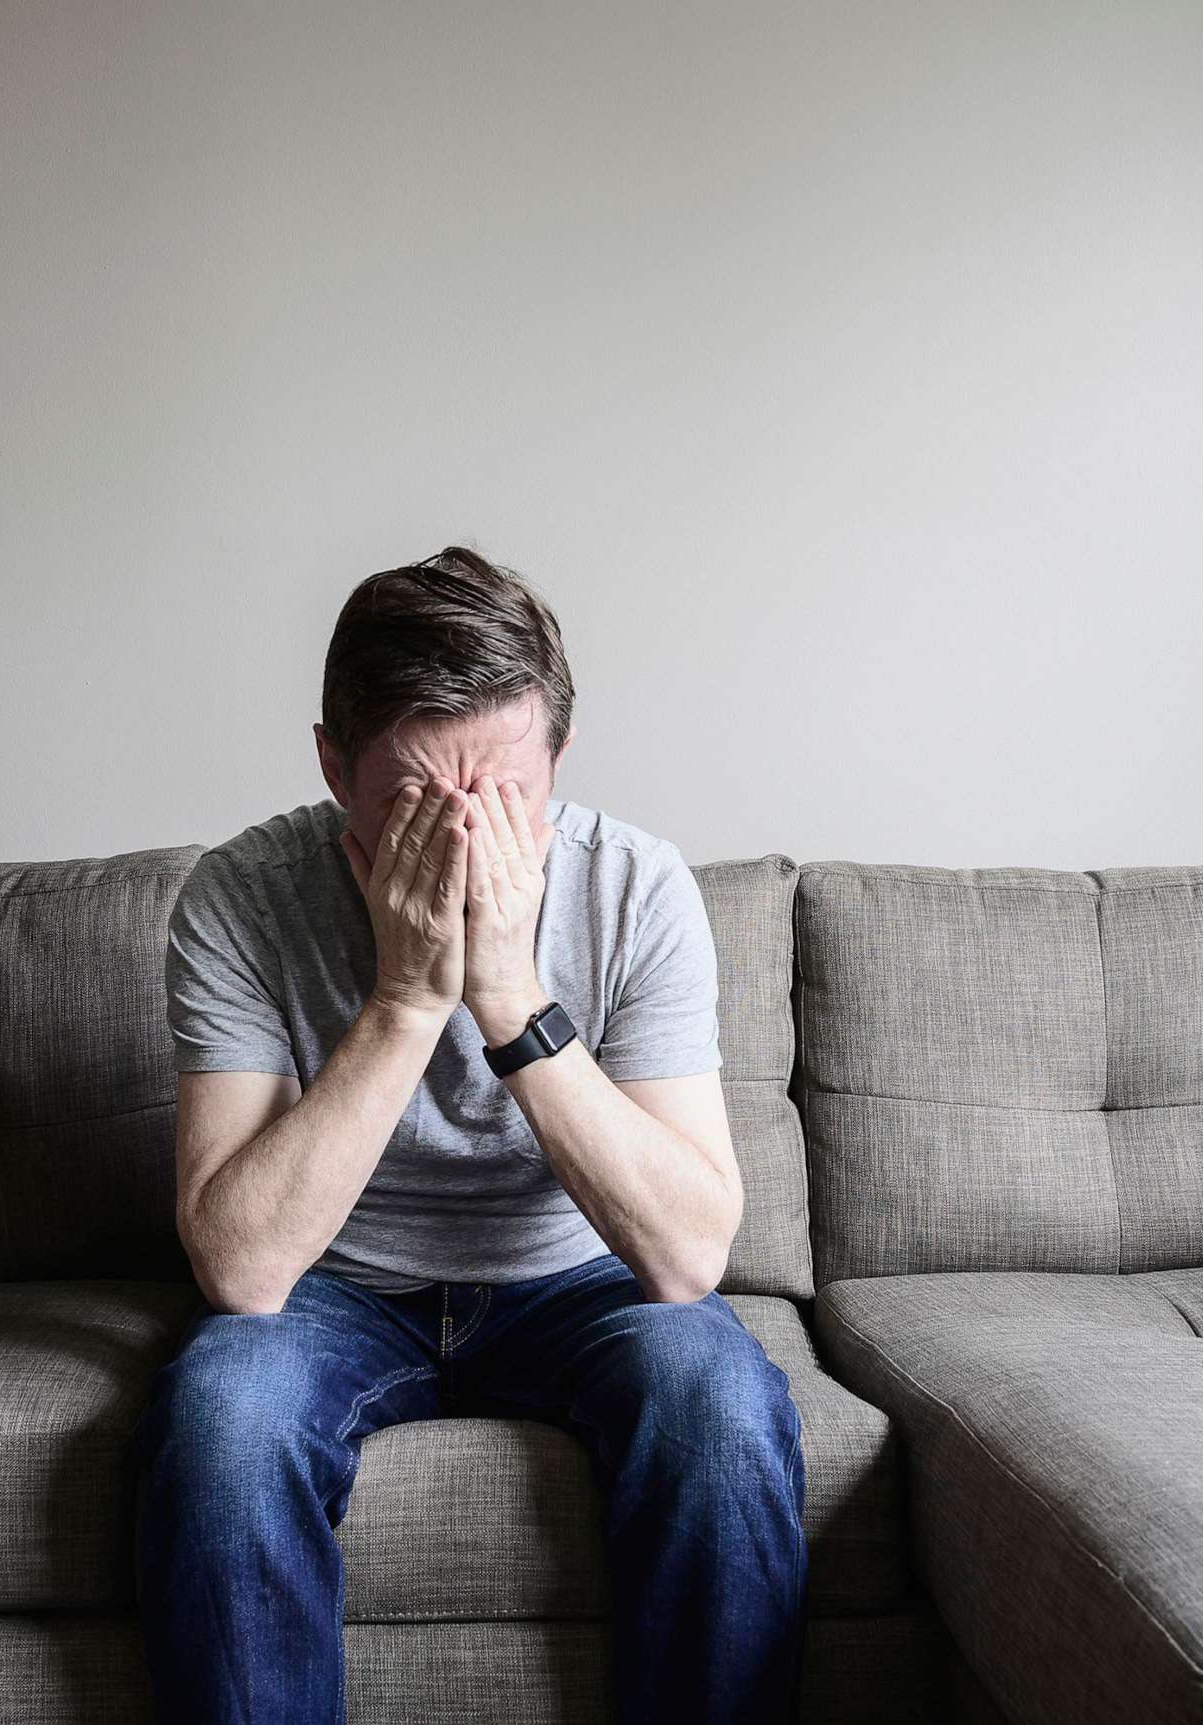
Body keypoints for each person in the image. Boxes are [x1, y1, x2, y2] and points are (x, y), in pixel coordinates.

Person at [129, 545, 808, 1724]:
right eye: (413, 803)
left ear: (559, 758)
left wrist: (509, 997)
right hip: (334, 1289)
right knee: (221, 1423)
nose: (463, 840)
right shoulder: (242, 896)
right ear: (334, 766)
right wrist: (403, 1003)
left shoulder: (637, 887)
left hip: (577, 1278)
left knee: (722, 1403)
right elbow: (240, 1268)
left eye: (506, 798)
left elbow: (688, 1257)